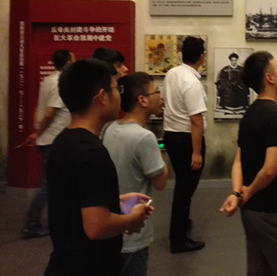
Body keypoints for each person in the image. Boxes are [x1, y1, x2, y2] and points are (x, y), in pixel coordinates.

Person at [45, 58, 152, 275]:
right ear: (102, 97)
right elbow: (97, 227)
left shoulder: (63, 141)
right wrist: (133, 219)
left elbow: (73, 200)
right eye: (115, 88)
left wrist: (113, 200)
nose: (119, 95)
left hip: (64, 263)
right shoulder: (92, 153)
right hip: (90, 267)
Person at [220, 51, 277, 276]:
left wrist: (237, 193)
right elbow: (270, 170)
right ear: (269, 78)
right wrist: (248, 191)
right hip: (275, 210)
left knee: (261, 269)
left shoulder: (250, 114)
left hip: (252, 210)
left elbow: (238, 160)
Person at [102, 72, 169, 276]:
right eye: (156, 92)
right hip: (133, 230)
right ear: (142, 100)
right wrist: (158, 148)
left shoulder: (109, 128)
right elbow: (160, 182)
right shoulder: (144, 137)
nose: (161, 97)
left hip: (110, 225)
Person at [22, 49, 74, 239]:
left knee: (54, 184)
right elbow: (50, 113)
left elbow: (39, 107)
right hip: (54, 139)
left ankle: (56, 220)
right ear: (67, 63)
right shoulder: (60, 83)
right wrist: (38, 133)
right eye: (73, 60)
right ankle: (32, 224)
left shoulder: (47, 80)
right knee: (48, 185)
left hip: (49, 139)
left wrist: (37, 131)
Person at [162, 36, 207, 253]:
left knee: (182, 184)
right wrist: (196, 152)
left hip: (171, 136)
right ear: (201, 57)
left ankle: (182, 224)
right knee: (185, 189)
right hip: (187, 140)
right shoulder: (192, 83)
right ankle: (178, 240)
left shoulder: (172, 73)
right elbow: (196, 120)